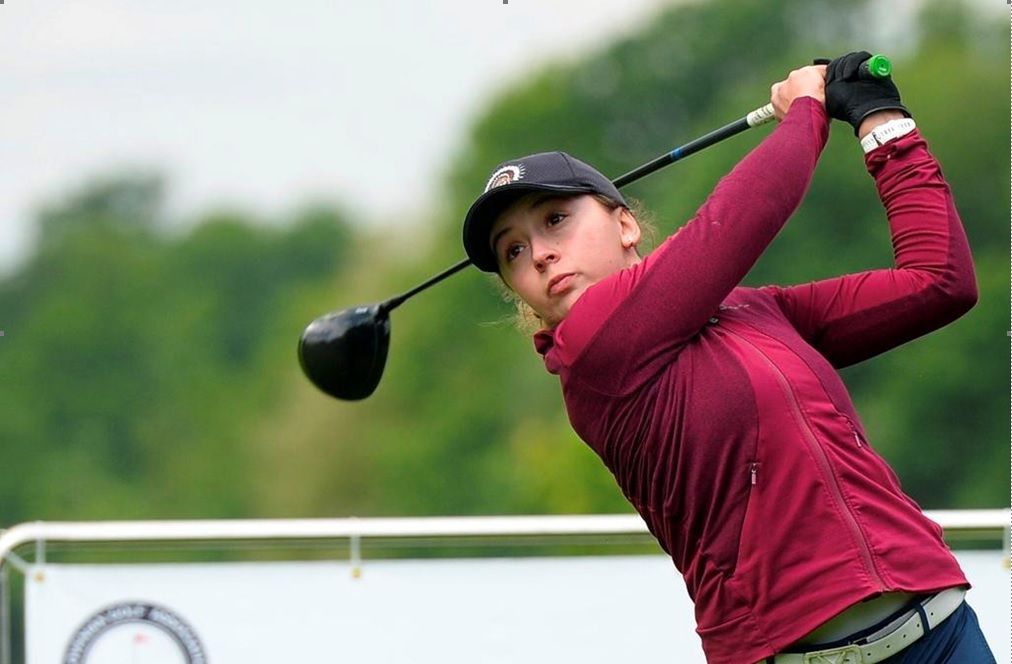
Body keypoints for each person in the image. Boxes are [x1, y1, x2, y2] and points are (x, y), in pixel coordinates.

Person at [460, 52, 995, 664]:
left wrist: (883, 122)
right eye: (513, 252)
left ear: (625, 225)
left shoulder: (755, 311)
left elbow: (939, 282)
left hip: (942, 632)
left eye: (555, 220)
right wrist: (807, 111)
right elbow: (736, 219)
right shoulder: (589, 351)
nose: (540, 255)